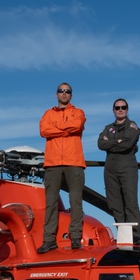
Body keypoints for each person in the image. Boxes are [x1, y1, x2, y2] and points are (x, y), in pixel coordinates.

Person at [38, 82, 87, 252]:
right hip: (52, 163)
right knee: (50, 202)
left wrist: (56, 129)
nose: (64, 93)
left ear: (71, 95)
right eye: (61, 91)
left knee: (76, 201)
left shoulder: (78, 112)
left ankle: (75, 237)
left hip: (74, 162)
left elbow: (77, 125)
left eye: (67, 91)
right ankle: (49, 239)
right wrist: (66, 130)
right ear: (56, 94)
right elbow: (44, 130)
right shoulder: (48, 113)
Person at [97, 98, 140, 244]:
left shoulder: (133, 127)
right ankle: (123, 235)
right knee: (114, 204)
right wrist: (118, 141)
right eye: (117, 108)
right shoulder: (108, 128)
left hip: (127, 167)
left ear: (127, 109)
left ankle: (135, 236)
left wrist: (111, 143)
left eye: (123, 107)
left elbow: (127, 145)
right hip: (110, 169)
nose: (120, 110)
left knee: (130, 201)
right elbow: (100, 144)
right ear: (113, 110)